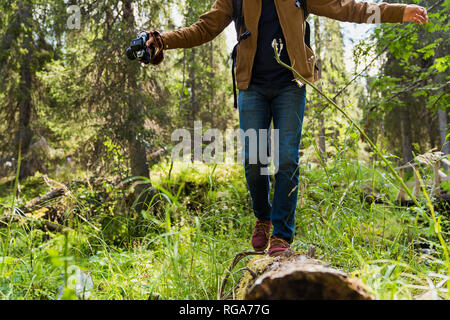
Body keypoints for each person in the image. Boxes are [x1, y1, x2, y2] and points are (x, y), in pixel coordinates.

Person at [144, 0, 428, 256]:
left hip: (290, 85)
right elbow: (204, 28)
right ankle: (263, 218)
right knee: (254, 163)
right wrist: (162, 40)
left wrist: (398, 12)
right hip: (252, 88)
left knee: (287, 159)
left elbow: (347, 8)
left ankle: (281, 234)